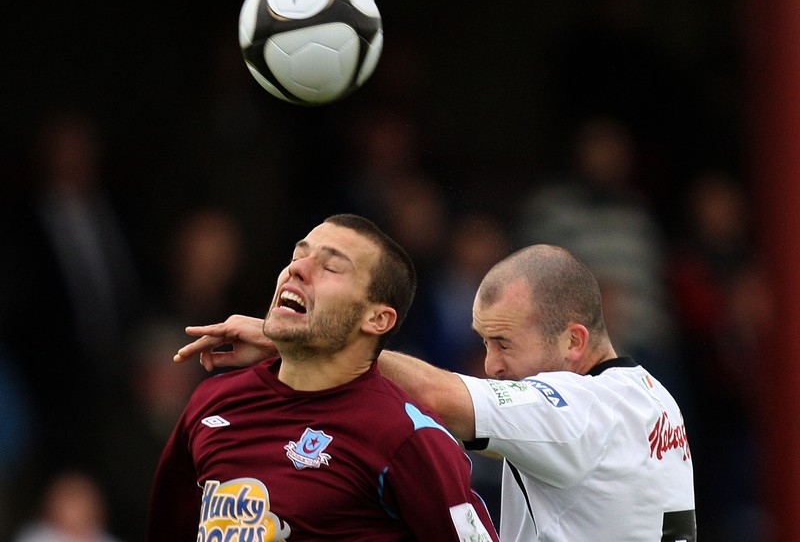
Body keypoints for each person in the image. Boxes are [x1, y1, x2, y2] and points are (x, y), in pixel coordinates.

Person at [176, 243, 696, 541]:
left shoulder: (578, 409)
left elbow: (442, 396)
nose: (491, 366)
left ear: (573, 341)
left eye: (503, 343)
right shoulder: (652, 396)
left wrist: (293, 338)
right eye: (483, 340)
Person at [147, 214, 499, 541]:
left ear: (377, 319)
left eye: (330, 267)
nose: (296, 269)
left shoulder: (406, 437)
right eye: (297, 256)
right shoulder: (213, 399)